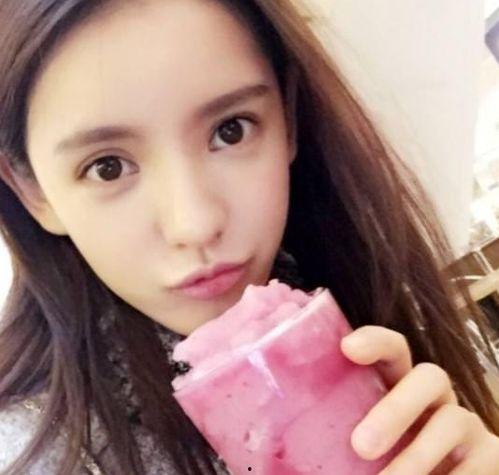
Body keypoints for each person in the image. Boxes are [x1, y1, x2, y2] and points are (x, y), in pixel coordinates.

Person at [0, 0, 498, 473]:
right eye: (107, 167)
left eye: (232, 130)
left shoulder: (369, 301)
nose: (194, 224)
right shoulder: (26, 452)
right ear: (32, 191)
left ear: (288, 120)